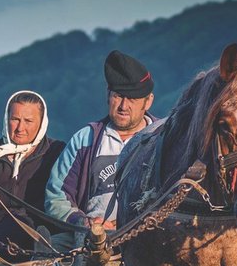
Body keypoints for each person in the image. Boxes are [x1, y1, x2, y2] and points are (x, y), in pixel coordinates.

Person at [45, 50, 156, 230]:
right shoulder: (85, 139)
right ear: (108, 94)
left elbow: (177, 196)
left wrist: (128, 224)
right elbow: (56, 196)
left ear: (148, 101)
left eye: (133, 99)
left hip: (147, 236)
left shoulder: (162, 138)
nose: (123, 106)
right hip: (90, 239)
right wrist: (82, 222)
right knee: (46, 254)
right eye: (118, 95)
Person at [0, 90, 65, 252]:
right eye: (15, 119)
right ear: (6, 119)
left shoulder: (56, 152)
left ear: (42, 123)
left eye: (28, 121)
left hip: (37, 234)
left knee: (17, 224)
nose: (20, 128)